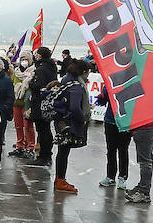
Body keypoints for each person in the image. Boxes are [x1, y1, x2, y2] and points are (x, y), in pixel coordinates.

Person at [51, 60, 92, 195]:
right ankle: (61, 180)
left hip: (61, 121)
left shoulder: (66, 79)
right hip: (69, 123)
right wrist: (83, 118)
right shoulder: (76, 86)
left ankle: (59, 179)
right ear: (83, 71)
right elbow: (74, 107)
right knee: (64, 151)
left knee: (62, 151)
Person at [96, 83, 131, 189]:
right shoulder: (109, 83)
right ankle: (110, 176)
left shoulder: (132, 82)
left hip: (126, 122)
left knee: (123, 150)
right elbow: (102, 102)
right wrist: (101, 97)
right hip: (110, 121)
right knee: (111, 150)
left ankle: (122, 177)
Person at [28, 47, 59, 165]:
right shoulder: (52, 67)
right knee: (46, 130)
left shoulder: (41, 69)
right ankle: (47, 155)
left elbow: (37, 85)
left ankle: (44, 156)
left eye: (36, 53)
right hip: (49, 103)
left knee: (42, 131)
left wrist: (31, 82)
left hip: (40, 102)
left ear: (40, 55)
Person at [125, 116, 153, 205]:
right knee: (147, 159)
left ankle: (144, 192)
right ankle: (142, 187)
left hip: (144, 127)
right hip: (151, 126)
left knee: (145, 161)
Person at [10, 53, 36, 159]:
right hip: (16, 102)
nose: (24, 61)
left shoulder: (33, 71)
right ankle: (19, 145)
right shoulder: (16, 72)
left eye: (26, 59)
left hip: (27, 103)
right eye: (22, 59)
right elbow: (12, 84)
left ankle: (30, 147)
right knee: (18, 125)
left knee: (28, 126)